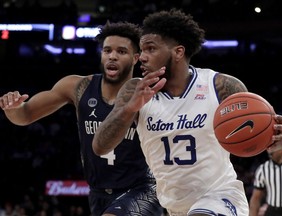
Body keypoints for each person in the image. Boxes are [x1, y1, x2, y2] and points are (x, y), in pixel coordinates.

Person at [92, 9, 282, 216]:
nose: (142, 57)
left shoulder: (220, 85)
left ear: (178, 52)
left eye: (151, 49)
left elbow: (264, 133)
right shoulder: (134, 90)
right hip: (172, 205)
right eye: (142, 50)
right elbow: (100, 146)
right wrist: (130, 107)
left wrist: (279, 138)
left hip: (220, 196)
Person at [0, 21, 163, 216]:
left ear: (135, 58)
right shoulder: (78, 87)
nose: (112, 56)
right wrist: (12, 108)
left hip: (142, 189)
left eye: (121, 52)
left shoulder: (146, 92)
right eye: (107, 50)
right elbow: (25, 116)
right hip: (97, 192)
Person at [249, 137, 282, 216]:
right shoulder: (262, 169)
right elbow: (255, 198)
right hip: (272, 211)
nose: (271, 148)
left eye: (275, 144)